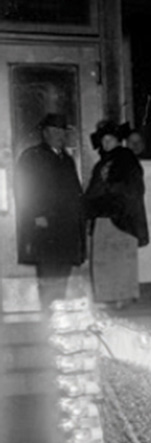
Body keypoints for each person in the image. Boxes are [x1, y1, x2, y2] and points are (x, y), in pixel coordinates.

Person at [15, 113, 86, 311]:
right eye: (54, 131)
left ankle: (59, 315)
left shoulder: (67, 160)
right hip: (45, 226)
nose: (59, 136)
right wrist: (36, 214)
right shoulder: (32, 156)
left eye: (62, 132)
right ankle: (49, 316)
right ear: (45, 133)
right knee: (48, 273)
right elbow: (24, 189)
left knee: (63, 273)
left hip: (66, 227)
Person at [84, 120, 150, 308]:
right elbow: (94, 189)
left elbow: (132, 188)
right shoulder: (102, 163)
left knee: (119, 258)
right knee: (106, 259)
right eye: (103, 140)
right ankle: (108, 296)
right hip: (104, 217)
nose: (106, 144)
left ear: (118, 140)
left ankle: (121, 297)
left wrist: (107, 194)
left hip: (120, 218)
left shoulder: (126, 158)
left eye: (110, 140)